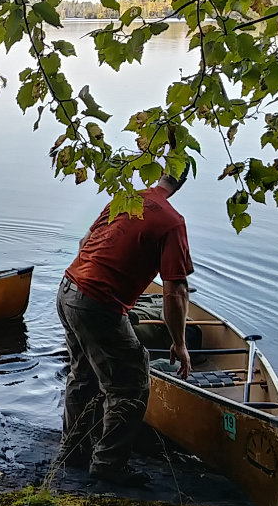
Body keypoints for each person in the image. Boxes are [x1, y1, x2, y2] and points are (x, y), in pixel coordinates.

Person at [56, 173, 194, 486]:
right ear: (184, 182)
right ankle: (108, 464)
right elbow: (175, 292)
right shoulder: (172, 222)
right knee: (130, 382)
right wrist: (179, 342)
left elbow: (83, 243)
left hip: (67, 289)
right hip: (96, 303)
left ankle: (73, 451)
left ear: (161, 174)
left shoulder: (126, 198)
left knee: (83, 374)